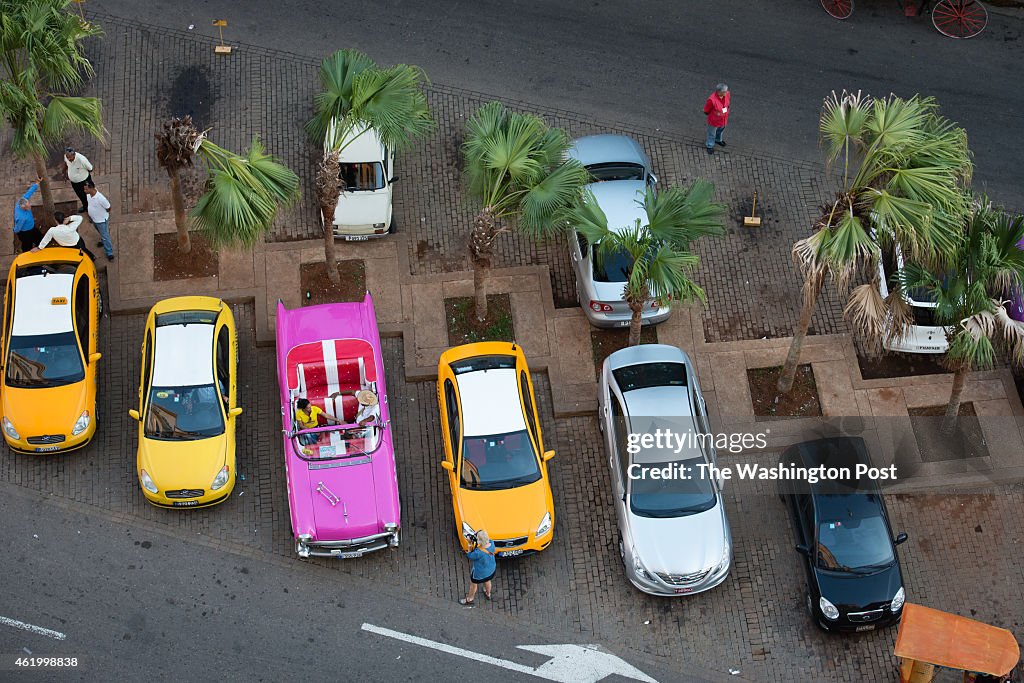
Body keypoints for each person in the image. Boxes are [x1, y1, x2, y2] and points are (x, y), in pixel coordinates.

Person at [459, 530, 496, 608]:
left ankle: (469, 599)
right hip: (491, 569)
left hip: (479, 573)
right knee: (487, 580)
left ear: (479, 541)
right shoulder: (492, 543)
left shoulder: (478, 552)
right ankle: (488, 593)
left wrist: (469, 543)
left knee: (473, 585)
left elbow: (470, 555)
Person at [83, 182, 114, 260]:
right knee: (101, 233)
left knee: (105, 236)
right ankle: (103, 242)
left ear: (91, 188)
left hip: (101, 221)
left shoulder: (101, 198)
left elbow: (108, 207)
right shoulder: (88, 195)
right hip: (94, 219)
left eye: (86, 189)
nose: (84, 190)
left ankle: (109, 253)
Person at [13, 179, 42, 252]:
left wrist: (36, 184)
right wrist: (15, 231)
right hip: (25, 232)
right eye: (28, 207)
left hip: (32, 227)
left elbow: (29, 192)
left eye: (29, 204)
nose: (30, 207)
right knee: (27, 245)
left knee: (40, 238)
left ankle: (39, 247)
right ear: (23, 208)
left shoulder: (22, 200)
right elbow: (18, 228)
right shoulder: (21, 217)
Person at [61, 147, 94, 213]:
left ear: (74, 154)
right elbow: (66, 164)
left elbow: (90, 169)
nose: (69, 159)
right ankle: (85, 207)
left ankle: (92, 211)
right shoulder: (66, 157)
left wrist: (81, 174)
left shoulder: (82, 160)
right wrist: (63, 172)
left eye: (70, 157)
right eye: (67, 157)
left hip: (84, 181)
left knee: (88, 196)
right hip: (74, 182)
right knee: (80, 195)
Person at [703, 83, 731, 155]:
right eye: (724, 91)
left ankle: (718, 140)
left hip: (723, 119)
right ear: (719, 92)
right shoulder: (712, 100)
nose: (726, 92)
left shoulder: (727, 94)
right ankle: (710, 145)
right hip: (714, 120)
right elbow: (706, 110)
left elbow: (727, 104)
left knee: (721, 130)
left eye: (726, 91)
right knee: (711, 133)